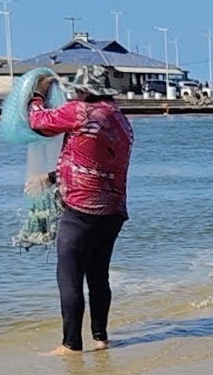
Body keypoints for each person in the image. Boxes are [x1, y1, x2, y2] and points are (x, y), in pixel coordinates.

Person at [28, 65, 135, 356]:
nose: (74, 93)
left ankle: (71, 344)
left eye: (77, 89)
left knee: (70, 275)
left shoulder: (81, 111)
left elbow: (38, 122)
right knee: (98, 276)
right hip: (113, 209)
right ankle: (100, 337)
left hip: (82, 209)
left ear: (85, 90)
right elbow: (94, 162)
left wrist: (38, 92)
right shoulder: (119, 119)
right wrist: (50, 177)